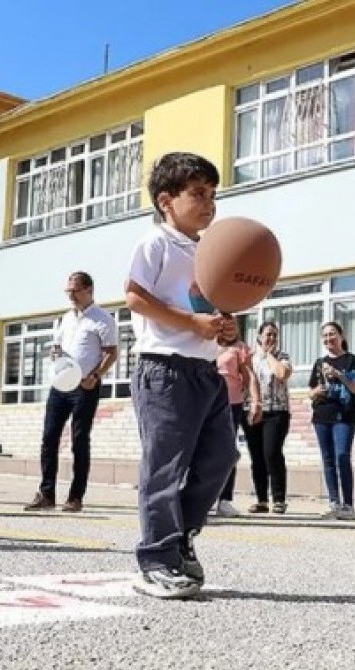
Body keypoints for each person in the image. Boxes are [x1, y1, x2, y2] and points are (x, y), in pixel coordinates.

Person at [124, 151, 238, 599]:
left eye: (214, 194)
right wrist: (192, 325)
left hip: (205, 371)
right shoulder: (157, 242)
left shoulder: (208, 250)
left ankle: (181, 537)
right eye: (199, 194)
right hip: (164, 369)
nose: (209, 203)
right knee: (165, 467)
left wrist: (225, 327)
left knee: (221, 456)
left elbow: (212, 311)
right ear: (167, 200)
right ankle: (155, 559)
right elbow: (134, 297)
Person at [25, 271, 119, 513]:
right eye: (68, 291)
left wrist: (95, 376)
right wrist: (55, 354)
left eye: (75, 291)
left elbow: (111, 352)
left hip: (85, 387)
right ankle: (46, 494)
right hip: (60, 385)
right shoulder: (66, 318)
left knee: (79, 440)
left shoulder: (102, 318)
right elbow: (57, 346)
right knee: (49, 438)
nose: (71, 296)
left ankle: (75, 497)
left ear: (89, 290)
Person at [308, 322, 355, 521]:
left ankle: (348, 505)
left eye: (332, 334)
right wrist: (315, 393)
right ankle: (334, 502)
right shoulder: (318, 362)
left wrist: (339, 375)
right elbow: (311, 391)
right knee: (328, 459)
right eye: (325, 335)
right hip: (322, 415)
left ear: (341, 336)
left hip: (344, 416)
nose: (328, 338)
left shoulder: (351, 360)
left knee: (342, 456)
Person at [213, 318, 260, 518]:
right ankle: (201, 498)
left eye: (233, 325)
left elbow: (249, 375)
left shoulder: (241, 348)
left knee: (226, 452)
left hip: (232, 404)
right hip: (207, 404)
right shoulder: (206, 345)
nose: (229, 328)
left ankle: (224, 500)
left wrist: (256, 401)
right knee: (204, 451)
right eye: (224, 324)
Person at [244, 322, 292, 514]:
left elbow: (282, 373)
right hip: (254, 410)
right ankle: (262, 500)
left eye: (274, 335)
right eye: (267, 335)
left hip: (277, 412)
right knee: (257, 456)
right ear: (259, 337)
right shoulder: (251, 359)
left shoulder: (283, 357)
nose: (271, 338)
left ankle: (279, 499)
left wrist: (270, 355)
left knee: (272, 452)